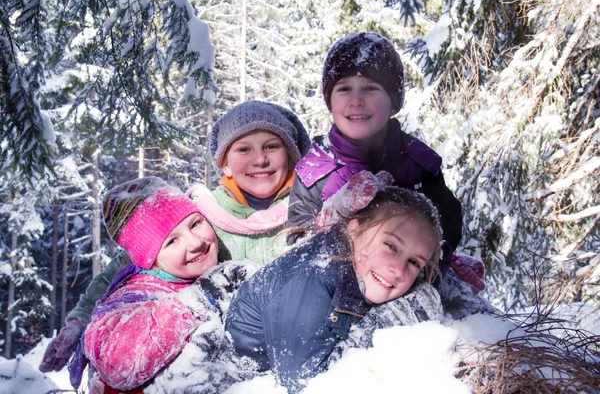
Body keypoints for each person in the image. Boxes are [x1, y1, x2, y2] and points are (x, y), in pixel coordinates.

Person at [39, 100, 311, 374]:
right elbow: (125, 264)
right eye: (243, 149)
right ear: (225, 164)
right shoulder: (203, 213)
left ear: (290, 153)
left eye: (272, 146)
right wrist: (80, 318)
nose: (260, 159)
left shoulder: (310, 209)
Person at [226, 176, 446, 393]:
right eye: (390, 246)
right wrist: (386, 322)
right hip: (239, 378)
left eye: (414, 262)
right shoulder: (314, 276)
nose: (398, 270)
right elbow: (305, 385)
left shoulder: (362, 267)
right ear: (354, 230)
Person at [287, 32, 467, 281]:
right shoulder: (315, 170)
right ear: (330, 102)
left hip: (403, 282)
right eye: (344, 89)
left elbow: (447, 224)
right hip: (335, 289)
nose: (356, 100)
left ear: (393, 103)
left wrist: (437, 267)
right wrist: (334, 215)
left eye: (370, 88)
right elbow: (298, 248)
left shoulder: (418, 164)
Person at [68, 177, 253, 392]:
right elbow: (117, 363)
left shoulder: (201, 275)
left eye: (195, 224)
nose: (195, 243)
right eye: (172, 241)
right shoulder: (134, 296)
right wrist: (195, 302)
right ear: (149, 259)